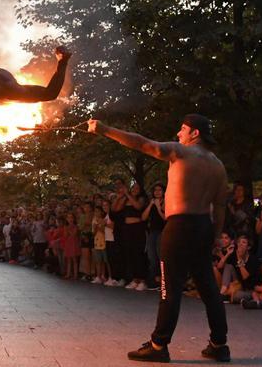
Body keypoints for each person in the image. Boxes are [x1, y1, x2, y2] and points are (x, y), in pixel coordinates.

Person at [87, 114, 230, 362]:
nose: (178, 133)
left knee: (169, 288)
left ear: (195, 133)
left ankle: (158, 345)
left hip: (180, 228)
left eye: (183, 129)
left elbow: (143, 144)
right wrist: (215, 237)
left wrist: (104, 129)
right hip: (203, 228)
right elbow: (219, 207)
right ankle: (219, 344)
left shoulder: (182, 153)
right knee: (208, 287)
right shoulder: (218, 165)